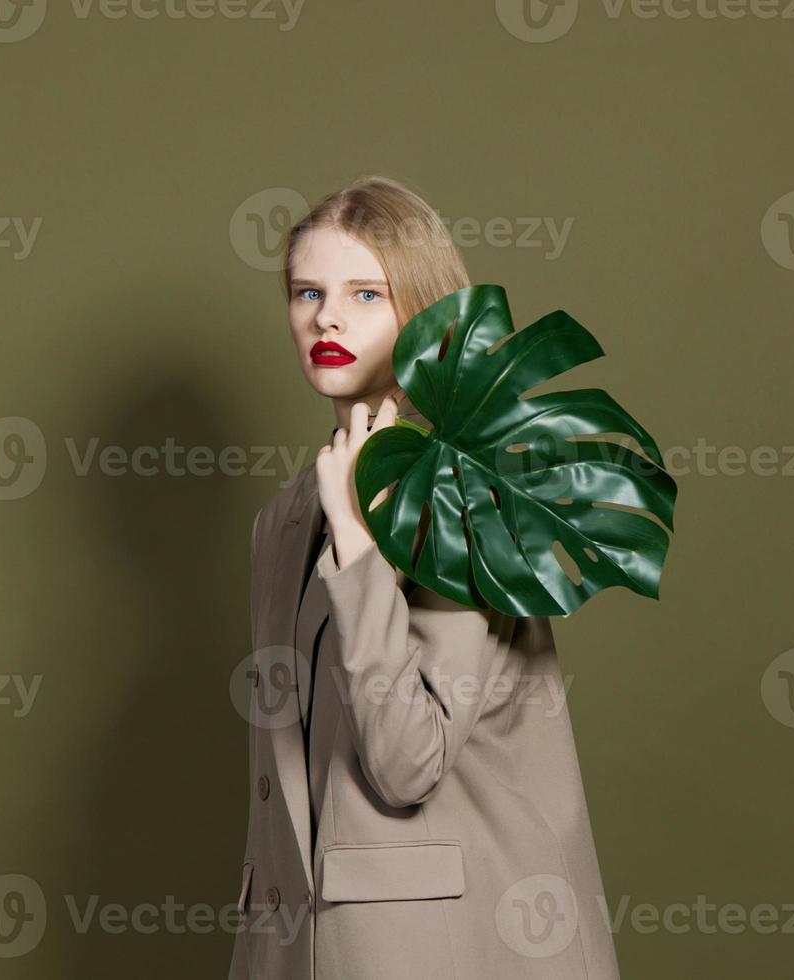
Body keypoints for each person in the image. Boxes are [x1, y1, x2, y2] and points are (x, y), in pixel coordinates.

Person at [229, 175, 621, 979]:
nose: (326, 317)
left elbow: (407, 761)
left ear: (422, 314)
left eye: (365, 293)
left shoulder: (468, 491)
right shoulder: (286, 516)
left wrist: (360, 547)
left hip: (450, 947)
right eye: (308, 291)